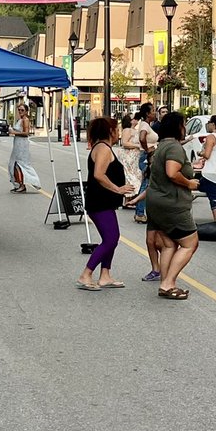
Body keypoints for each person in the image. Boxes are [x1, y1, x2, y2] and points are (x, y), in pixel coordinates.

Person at [76, 117, 135, 291]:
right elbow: (99, 174)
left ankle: (105, 275)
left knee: (111, 238)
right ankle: (85, 274)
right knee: (110, 239)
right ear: (110, 131)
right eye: (116, 129)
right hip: (99, 201)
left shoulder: (105, 147)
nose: (118, 132)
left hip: (105, 202)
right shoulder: (102, 148)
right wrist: (118, 189)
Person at [146, 111, 200, 299]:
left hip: (156, 201)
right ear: (178, 127)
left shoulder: (161, 146)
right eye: (184, 124)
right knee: (190, 244)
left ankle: (164, 283)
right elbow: (171, 172)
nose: (185, 128)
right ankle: (169, 283)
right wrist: (189, 183)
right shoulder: (175, 148)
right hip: (171, 203)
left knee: (169, 244)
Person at [133, 102, 156, 225]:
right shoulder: (145, 125)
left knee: (146, 183)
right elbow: (142, 138)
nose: (155, 113)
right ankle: (140, 213)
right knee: (146, 184)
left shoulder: (147, 125)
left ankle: (140, 211)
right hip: (146, 157)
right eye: (153, 111)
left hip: (147, 156)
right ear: (147, 113)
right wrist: (147, 149)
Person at [114, 114, 142, 201]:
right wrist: (137, 145)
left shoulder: (135, 130)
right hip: (128, 156)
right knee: (130, 176)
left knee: (136, 176)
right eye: (135, 118)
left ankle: (133, 198)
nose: (137, 120)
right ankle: (128, 198)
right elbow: (125, 143)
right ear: (130, 121)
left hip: (135, 157)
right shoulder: (127, 130)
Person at [7, 103, 33, 192]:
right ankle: (17, 184)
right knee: (13, 164)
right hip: (17, 144)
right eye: (19, 110)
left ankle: (22, 185)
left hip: (22, 145)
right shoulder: (20, 120)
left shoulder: (25, 120)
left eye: (22, 110)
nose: (20, 112)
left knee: (19, 165)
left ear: (26, 111)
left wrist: (14, 132)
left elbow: (26, 133)